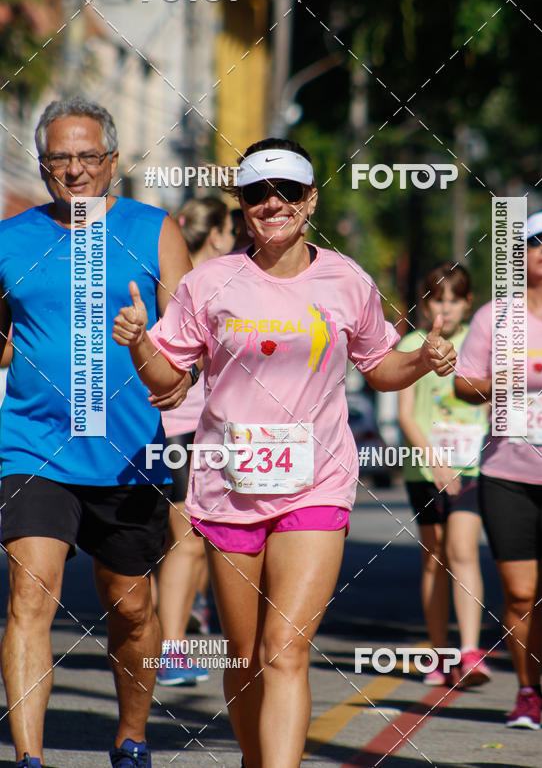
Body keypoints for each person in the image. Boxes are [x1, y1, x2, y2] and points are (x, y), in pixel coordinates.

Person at [113, 137, 457, 768]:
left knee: (285, 650)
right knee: (245, 659)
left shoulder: (346, 279)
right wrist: (139, 344)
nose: (272, 204)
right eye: (256, 194)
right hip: (230, 488)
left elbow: (379, 366)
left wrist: (421, 361)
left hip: (317, 484)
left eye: (287, 191)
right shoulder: (209, 282)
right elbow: (168, 385)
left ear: (311, 199)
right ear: (242, 204)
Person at [0, 97, 192, 768]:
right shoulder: (10, 239)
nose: (75, 170)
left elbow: (190, 345)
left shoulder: (155, 231)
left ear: (112, 161)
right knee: (30, 595)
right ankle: (28, 758)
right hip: (34, 445)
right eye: (60, 158)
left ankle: (131, 737)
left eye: (88, 157)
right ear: (42, 165)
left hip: (128, 452)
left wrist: (159, 356)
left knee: (131, 607)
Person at [455, 209, 542, 731]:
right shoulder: (494, 317)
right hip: (507, 473)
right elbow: (463, 385)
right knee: (519, 593)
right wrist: (499, 383)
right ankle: (526, 690)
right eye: (535, 241)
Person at [398, 262, 491, 688]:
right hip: (425, 469)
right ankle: (439, 653)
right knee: (434, 558)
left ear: (468, 303)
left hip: (473, 466)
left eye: (455, 300)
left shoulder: (480, 343)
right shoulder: (412, 345)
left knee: (462, 550)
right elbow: (405, 415)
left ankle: (470, 652)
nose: (446, 308)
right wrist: (434, 460)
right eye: (438, 299)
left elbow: (493, 399)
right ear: (425, 304)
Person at [157, 196, 235, 685]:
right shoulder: (202, 283)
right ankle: (171, 650)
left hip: (190, 425)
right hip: (183, 426)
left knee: (176, 541)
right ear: (216, 235)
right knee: (186, 540)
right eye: (230, 229)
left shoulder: (176, 278)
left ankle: (166, 640)